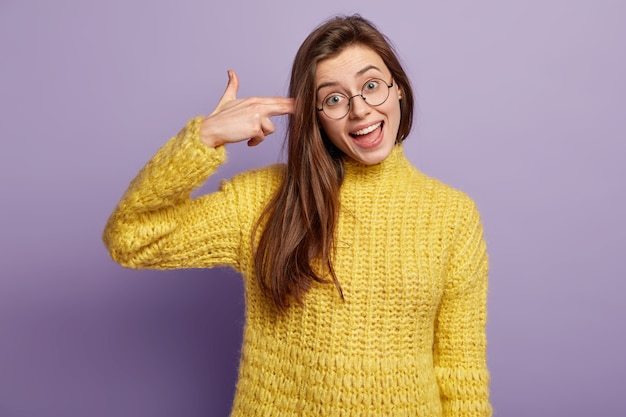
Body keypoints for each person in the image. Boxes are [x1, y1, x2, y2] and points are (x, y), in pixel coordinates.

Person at [103, 14, 492, 417]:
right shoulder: (265, 200)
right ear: (316, 115)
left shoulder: (453, 215)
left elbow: (460, 374)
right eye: (335, 98)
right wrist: (205, 137)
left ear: (399, 92)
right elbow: (130, 237)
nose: (359, 110)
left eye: (371, 86)